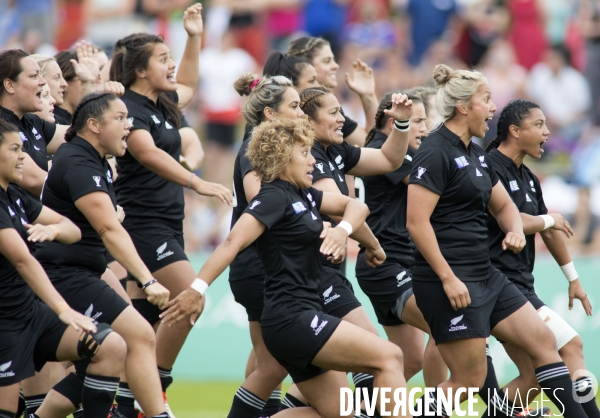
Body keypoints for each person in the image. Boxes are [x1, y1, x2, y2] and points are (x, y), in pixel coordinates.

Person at [161, 117, 410, 418]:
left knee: (340, 413)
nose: (312, 160)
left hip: (302, 317)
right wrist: (196, 290)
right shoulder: (273, 197)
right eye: (304, 153)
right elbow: (231, 244)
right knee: (390, 356)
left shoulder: (305, 194)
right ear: (281, 157)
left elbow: (356, 207)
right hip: (292, 320)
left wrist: (345, 232)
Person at [406, 64, 587, 418]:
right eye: (486, 99)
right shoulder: (435, 150)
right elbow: (416, 222)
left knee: (545, 344)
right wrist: (447, 277)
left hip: (486, 275)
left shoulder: (474, 153)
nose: (493, 108)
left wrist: (516, 229)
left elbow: (502, 203)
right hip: (449, 279)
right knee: (468, 381)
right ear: (463, 106)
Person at [109, 5, 232, 415]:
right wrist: (197, 181)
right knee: (188, 295)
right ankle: (154, 390)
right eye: (163, 59)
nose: (172, 64)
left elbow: (191, 84)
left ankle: (123, 403)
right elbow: (145, 152)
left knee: (144, 322)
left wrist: (194, 36)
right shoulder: (129, 107)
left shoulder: (163, 103)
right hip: (142, 225)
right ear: (140, 70)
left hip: (167, 224)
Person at [32, 92, 171, 418]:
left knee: (97, 360)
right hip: (64, 274)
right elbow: (109, 230)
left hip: (77, 272)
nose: (129, 125)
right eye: (120, 118)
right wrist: (147, 280)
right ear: (93, 125)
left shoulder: (92, 161)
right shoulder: (80, 163)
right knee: (139, 336)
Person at [0, 118, 127, 418]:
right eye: (15, 149)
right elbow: (23, 260)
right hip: (5, 325)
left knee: (110, 345)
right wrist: (62, 309)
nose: (23, 156)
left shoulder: (16, 198)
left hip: (30, 313)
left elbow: (72, 228)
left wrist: (55, 231)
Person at [482, 99, 599, 418]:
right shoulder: (488, 168)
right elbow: (511, 218)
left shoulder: (529, 178)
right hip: (498, 286)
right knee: (571, 345)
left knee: (535, 376)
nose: (548, 132)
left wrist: (573, 278)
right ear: (514, 131)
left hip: (522, 286)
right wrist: (548, 220)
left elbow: (548, 229)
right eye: (539, 125)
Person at [299, 86, 411, 406]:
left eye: (341, 111)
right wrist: (374, 245)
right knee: (382, 358)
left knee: (336, 403)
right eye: (333, 113)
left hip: (326, 275)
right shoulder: (308, 155)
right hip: (313, 278)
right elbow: (340, 207)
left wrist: (400, 125)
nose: (342, 120)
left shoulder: (336, 150)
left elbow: (390, 158)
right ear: (308, 122)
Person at [224, 74, 304, 418]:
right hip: (257, 267)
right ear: (270, 114)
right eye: (295, 106)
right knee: (274, 365)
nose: (302, 113)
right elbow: (261, 201)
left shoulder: (273, 148)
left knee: (269, 363)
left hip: (258, 266)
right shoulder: (254, 151)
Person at [355, 92, 448, 387]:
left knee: (411, 358)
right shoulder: (391, 152)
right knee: (444, 326)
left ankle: (364, 408)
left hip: (393, 264)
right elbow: (431, 188)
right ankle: (436, 409)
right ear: (395, 121)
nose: (424, 128)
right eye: (418, 121)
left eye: (424, 121)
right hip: (385, 264)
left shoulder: (382, 146)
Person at [287, 36, 378, 146]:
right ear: (306, 66)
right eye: (327, 61)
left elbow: (371, 143)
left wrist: (367, 95)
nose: (335, 66)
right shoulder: (292, 109)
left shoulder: (330, 107)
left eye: (333, 60)